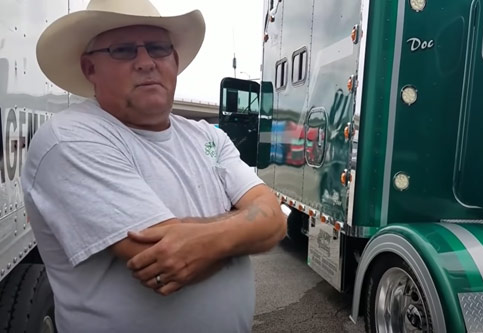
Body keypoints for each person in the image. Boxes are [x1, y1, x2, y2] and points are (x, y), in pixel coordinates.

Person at [21, 0, 286, 332]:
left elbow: (274, 220)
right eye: (123, 50)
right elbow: (166, 257)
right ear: (90, 69)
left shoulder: (207, 135)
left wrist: (206, 239)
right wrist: (244, 226)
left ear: (173, 60)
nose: (145, 62)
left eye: (158, 48)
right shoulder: (68, 139)